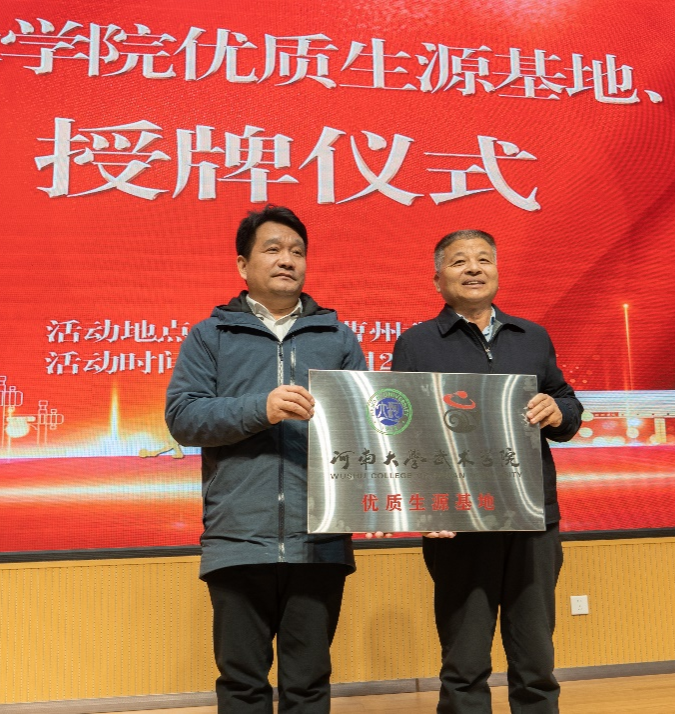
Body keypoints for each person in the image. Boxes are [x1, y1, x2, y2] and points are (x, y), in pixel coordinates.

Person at [166, 205, 366, 713]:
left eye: (297, 251)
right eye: (273, 249)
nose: (287, 260)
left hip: (319, 541)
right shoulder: (210, 336)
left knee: (309, 684)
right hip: (238, 538)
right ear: (243, 264)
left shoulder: (338, 338)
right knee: (242, 685)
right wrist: (262, 408)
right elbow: (183, 417)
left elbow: (364, 431)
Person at [391, 229, 583, 713]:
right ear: (438, 279)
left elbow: (567, 403)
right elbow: (400, 433)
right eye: (459, 261)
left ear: (497, 271)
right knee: (464, 662)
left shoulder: (532, 337)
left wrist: (558, 411)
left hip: (532, 519)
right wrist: (422, 506)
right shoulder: (416, 343)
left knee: (536, 660)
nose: (474, 268)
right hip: (458, 523)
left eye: (483, 259)